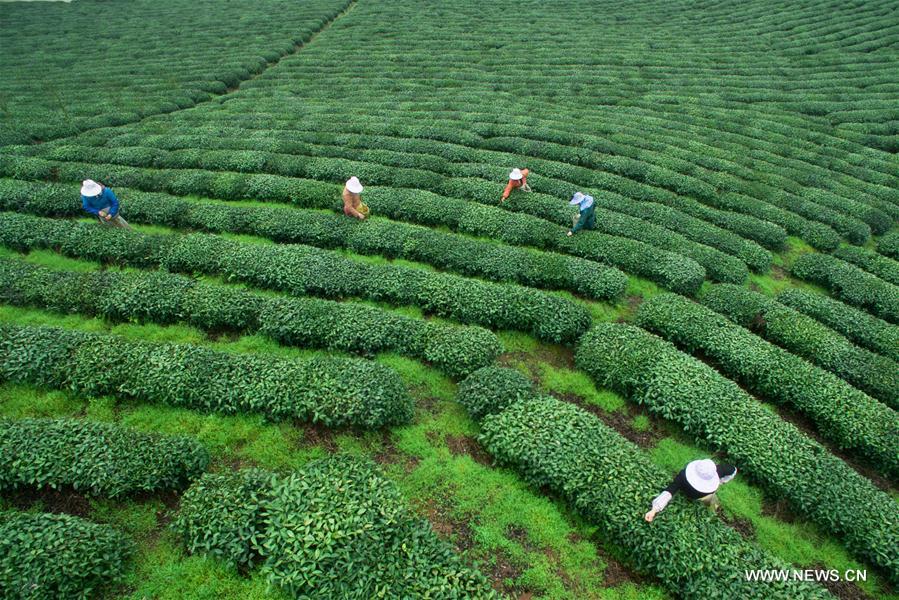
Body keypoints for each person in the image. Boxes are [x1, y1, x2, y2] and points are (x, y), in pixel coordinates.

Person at [644, 459, 738, 522]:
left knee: (712, 502)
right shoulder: (683, 476)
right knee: (711, 501)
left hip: (702, 495)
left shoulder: (682, 476)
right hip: (698, 495)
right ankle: (713, 509)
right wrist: (654, 510)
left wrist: (721, 481)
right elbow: (669, 491)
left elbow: (670, 490)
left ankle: (714, 510)